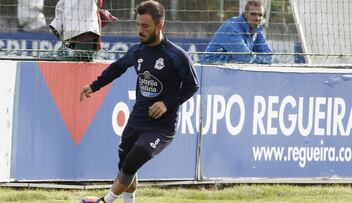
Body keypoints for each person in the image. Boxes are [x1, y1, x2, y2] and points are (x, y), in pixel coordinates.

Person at [79, 1, 199, 202]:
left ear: (159, 26)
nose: (139, 30)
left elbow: (191, 85)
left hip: (161, 128)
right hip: (136, 120)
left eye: (145, 26)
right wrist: (93, 86)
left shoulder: (176, 56)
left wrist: (167, 104)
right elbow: (117, 68)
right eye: (138, 25)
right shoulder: (137, 51)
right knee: (126, 167)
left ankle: (105, 201)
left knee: (130, 164)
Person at [200, 0, 272, 64]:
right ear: (245, 14)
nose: (257, 18)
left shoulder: (257, 29)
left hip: (231, 70)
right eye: (253, 14)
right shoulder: (232, 27)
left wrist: (251, 57)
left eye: (260, 15)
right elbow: (245, 58)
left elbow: (269, 57)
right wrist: (257, 58)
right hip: (210, 68)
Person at [49, 0, 117, 61]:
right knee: (83, 61)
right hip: (85, 31)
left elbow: (60, 6)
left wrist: (57, 25)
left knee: (82, 60)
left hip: (78, 30)